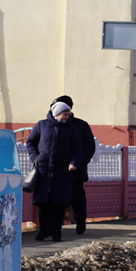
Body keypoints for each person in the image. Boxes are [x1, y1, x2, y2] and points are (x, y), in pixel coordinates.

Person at [26, 101, 84, 242]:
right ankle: (43, 231)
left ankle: (57, 233)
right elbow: (30, 142)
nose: (67, 116)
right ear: (57, 114)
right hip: (43, 172)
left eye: (68, 114)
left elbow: (77, 148)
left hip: (62, 173)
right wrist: (35, 158)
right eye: (65, 114)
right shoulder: (42, 125)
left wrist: (73, 162)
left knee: (59, 205)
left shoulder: (71, 129)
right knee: (42, 204)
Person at [52, 95, 96, 235]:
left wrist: (79, 162)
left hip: (75, 171)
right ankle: (55, 228)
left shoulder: (80, 125)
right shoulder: (49, 124)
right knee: (55, 200)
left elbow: (89, 146)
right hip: (57, 171)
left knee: (77, 199)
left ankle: (80, 222)